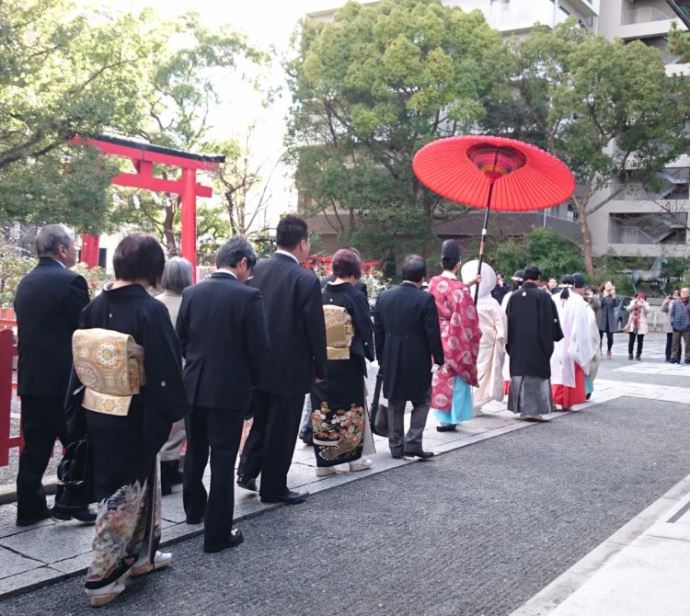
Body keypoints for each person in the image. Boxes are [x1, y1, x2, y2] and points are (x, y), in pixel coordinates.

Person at [72, 234, 189, 606]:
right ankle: (101, 578)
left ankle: (141, 556)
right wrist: (172, 409)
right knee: (121, 497)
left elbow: (76, 366)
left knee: (140, 486)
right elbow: (166, 368)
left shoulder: (93, 306)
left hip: (98, 409)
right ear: (153, 269)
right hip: (136, 414)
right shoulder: (149, 310)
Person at [177, 237, 269, 553]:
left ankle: (193, 510)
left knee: (195, 450)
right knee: (223, 458)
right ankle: (217, 534)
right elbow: (259, 349)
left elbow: (181, 340)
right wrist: (255, 386)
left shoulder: (191, 292)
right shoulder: (249, 297)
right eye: (250, 269)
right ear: (242, 262)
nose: (250, 275)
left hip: (194, 384)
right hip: (229, 388)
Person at [237, 215, 327, 505]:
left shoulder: (257, 269)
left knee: (261, 417)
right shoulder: (305, 278)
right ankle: (274, 486)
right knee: (283, 426)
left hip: (256, 361)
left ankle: (247, 469)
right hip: (291, 363)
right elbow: (315, 327)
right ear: (302, 243)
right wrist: (320, 367)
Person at [13, 224, 94, 526]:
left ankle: (29, 508)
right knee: (77, 441)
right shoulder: (71, 281)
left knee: (35, 446)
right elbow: (85, 330)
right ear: (62, 249)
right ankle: (72, 501)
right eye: (72, 245)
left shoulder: (26, 282)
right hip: (63, 379)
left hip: (32, 377)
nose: (75, 250)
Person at [311, 248, 375, 476]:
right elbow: (365, 327)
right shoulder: (354, 295)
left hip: (322, 362)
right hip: (347, 361)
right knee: (349, 409)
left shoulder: (319, 293)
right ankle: (351, 458)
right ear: (355, 270)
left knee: (324, 410)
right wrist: (369, 351)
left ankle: (324, 464)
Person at [373, 255, 444, 458]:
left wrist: (381, 358)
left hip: (391, 354)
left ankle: (396, 446)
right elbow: (432, 332)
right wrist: (439, 358)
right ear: (422, 277)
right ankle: (413, 441)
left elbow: (378, 330)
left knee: (396, 400)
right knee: (422, 399)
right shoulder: (425, 299)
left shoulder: (384, 296)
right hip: (417, 355)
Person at [427, 241, 481, 431]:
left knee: (440, 375)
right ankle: (453, 417)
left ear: (442, 262)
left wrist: (470, 283)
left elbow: (445, 293)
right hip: (454, 335)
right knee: (456, 376)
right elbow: (468, 321)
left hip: (436, 334)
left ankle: (442, 418)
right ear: (458, 263)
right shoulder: (459, 289)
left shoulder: (433, 283)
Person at [155, 257, 194, 495]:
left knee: (164, 422)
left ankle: (165, 468)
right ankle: (168, 467)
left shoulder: (156, 303)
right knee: (180, 424)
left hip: (161, 369)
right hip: (185, 368)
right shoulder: (190, 303)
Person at [505, 266, 563, 421]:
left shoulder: (514, 296)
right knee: (535, 374)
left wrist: (509, 343)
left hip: (517, 345)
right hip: (537, 344)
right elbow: (549, 323)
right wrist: (550, 341)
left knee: (520, 375)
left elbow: (507, 322)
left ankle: (522, 408)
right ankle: (534, 410)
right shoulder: (543, 296)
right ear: (538, 279)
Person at [461, 260, 506, 413]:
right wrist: (501, 339)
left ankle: (472, 402)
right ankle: (475, 402)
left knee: (474, 369)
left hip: (471, 339)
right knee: (480, 372)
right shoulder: (491, 303)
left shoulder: (464, 298)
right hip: (485, 339)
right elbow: (501, 325)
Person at [550, 274, 595, 410]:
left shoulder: (552, 299)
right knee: (568, 373)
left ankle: (551, 400)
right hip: (570, 342)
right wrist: (581, 345)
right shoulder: (578, 301)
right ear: (574, 285)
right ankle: (566, 402)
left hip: (554, 343)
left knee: (553, 371)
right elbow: (581, 326)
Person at [624, 292, 650, 361]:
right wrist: (633, 304)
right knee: (631, 340)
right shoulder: (633, 302)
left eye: (642, 297)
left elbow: (648, 311)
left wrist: (643, 304)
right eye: (639, 297)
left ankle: (638, 354)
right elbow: (628, 309)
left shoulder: (645, 303)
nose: (640, 298)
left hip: (641, 325)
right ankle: (630, 354)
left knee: (640, 341)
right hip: (633, 323)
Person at [596, 281, 617, 359]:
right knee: (599, 337)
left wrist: (614, 296)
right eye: (608, 284)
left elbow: (615, 305)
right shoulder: (600, 295)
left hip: (610, 319)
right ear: (604, 286)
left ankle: (609, 350)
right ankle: (599, 351)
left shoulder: (612, 296)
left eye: (610, 285)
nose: (609, 286)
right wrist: (604, 296)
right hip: (601, 318)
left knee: (610, 338)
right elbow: (599, 304)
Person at [670, 287, 690, 365]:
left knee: (688, 344)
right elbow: (672, 314)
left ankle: (687, 358)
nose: (684, 293)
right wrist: (673, 322)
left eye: (686, 292)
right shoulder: (676, 302)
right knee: (675, 343)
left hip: (687, 327)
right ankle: (674, 358)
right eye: (682, 292)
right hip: (676, 326)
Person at [662, 290, 680, 363]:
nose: (675, 295)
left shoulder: (681, 301)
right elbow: (663, 310)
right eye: (674, 294)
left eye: (677, 294)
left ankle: (677, 358)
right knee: (669, 341)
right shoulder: (669, 301)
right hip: (670, 324)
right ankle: (668, 357)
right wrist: (666, 302)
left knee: (678, 342)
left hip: (678, 324)